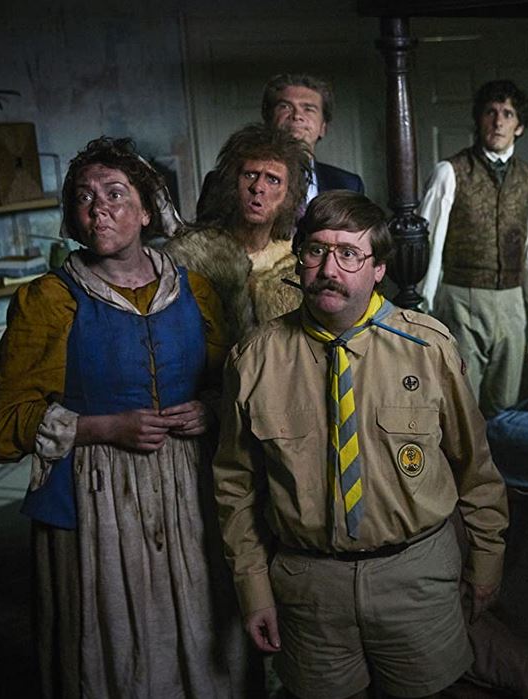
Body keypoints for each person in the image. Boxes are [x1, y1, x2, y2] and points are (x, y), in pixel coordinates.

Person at [0, 137, 254, 697]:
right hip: (97, 495)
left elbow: (231, 385)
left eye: (114, 194)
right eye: (84, 198)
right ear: (73, 217)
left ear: (147, 210)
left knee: (204, 621)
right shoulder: (49, 301)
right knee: (118, 639)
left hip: (192, 488)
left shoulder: (196, 291)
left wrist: (208, 409)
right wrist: (104, 427)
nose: (99, 208)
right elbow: (4, 424)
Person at [213, 190, 509, 699]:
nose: (330, 269)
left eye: (349, 253)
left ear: (378, 269)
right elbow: (235, 488)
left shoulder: (428, 349)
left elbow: (475, 466)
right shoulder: (254, 360)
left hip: (416, 576)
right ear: (299, 259)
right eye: (316, 250)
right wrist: (253, 586)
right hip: (309, 585)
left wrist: (486, 561)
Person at [419, 79, 528, 417]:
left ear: (519, 126)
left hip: (513, 305)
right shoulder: (449, 173)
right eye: (491, 112)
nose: (498, 122)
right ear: (479, 119)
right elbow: (428, 246)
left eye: (508, 114)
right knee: (459, 404)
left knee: (505, 408)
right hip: (460, 302)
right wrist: (422, 313)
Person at [167, 123, 311, 344]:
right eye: (250, 174)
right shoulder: (188, 257)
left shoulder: (298, 263)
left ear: (289, 195)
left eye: (273, 179)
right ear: (232, 182)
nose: (258, 187)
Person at [196, 73, 363, 220]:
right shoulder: (220, 181)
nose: (297, 116)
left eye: (308, 109)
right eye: (285, 107)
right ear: (268, 119)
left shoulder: (348, 185)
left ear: (323, 128)